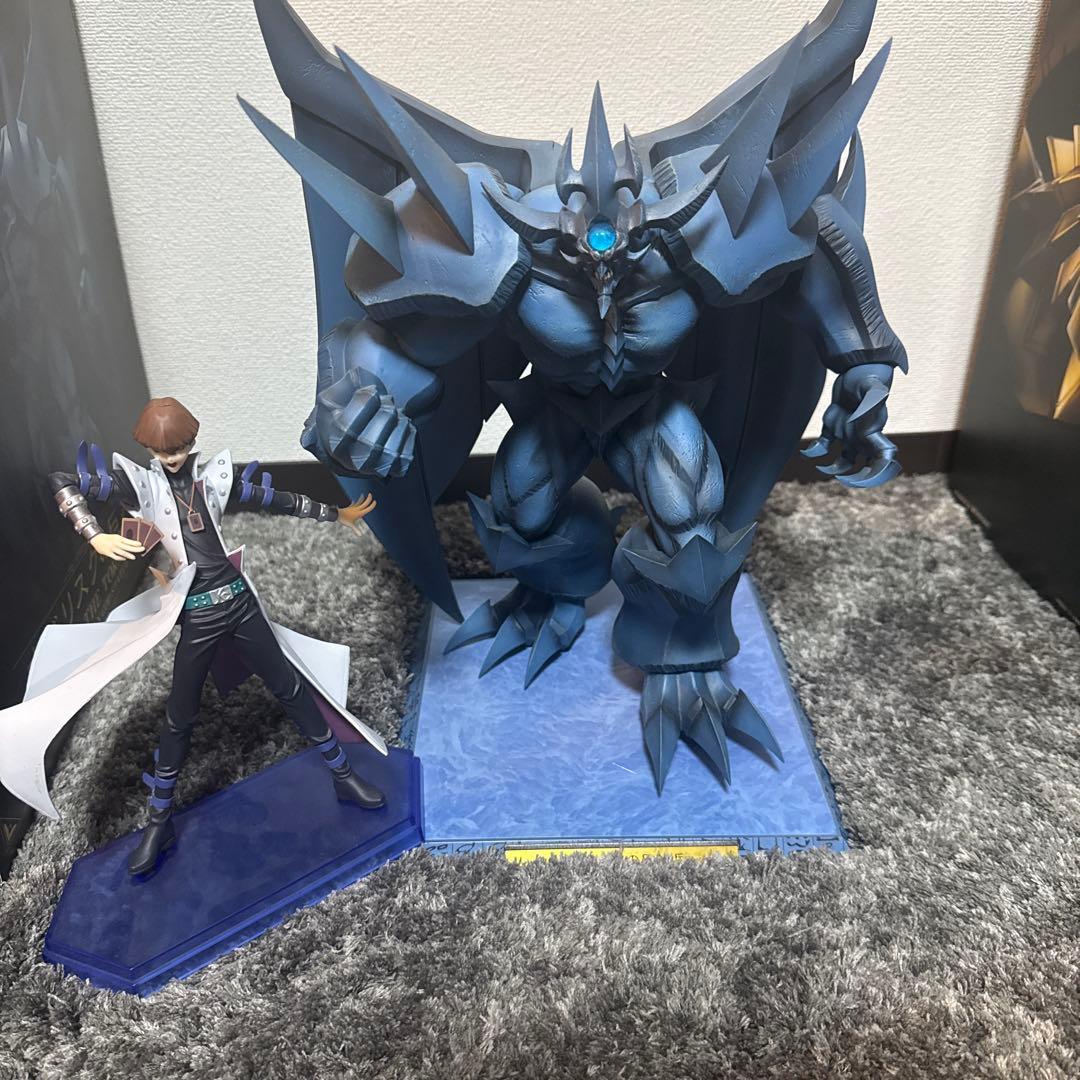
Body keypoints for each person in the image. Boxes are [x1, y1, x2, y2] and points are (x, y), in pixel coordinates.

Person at [44, 397, 386, 874]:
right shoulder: (139, 484)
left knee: (289, 688)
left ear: (192, 441)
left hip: (239, 602)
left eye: (179, 447)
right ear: (148, 449)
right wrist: (93, 533)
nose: (172, 457)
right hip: (197, 613)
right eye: (163, 451)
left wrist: (334, 514)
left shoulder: (216, 478)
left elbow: (274, 499)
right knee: (179, 717)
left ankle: (343, 775)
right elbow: (61, 480)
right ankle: (158, 822)